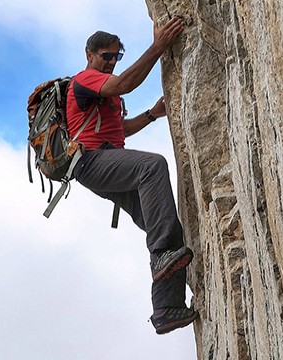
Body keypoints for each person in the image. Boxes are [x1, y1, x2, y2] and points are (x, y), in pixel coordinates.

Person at [66, 17, 198, 335]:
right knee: (151, 167)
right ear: (90, 55)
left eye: (116, 57)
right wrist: (158, 47)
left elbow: (120, 131)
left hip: (106, 162)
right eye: (106, 56)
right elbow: (124, 83)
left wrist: (152, 115)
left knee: (164, 226)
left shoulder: (106, 97)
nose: (111, 62)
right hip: (90, 162)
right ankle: (164, 254)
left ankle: (166, 309)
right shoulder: (84, 80)